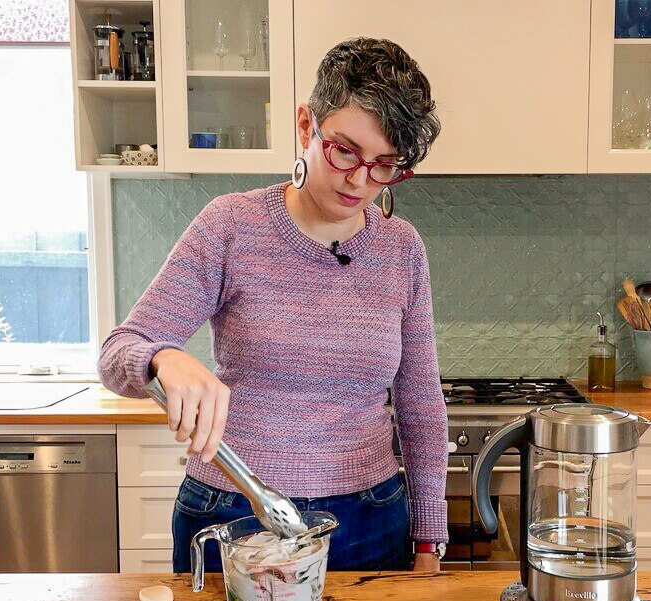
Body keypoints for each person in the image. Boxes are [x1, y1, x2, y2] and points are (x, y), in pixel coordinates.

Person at [98, 37, 447, 573]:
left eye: (384, 164)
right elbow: (118, 353)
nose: (359, 179)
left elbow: (420, 403)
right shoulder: (230, 226)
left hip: (371, 519)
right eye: (345, 151)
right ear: (306, 126)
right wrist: (162, 358)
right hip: (236, 514)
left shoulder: (402, 248)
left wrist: (428, 539)